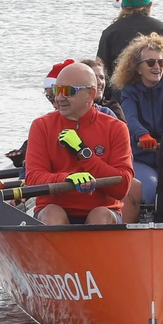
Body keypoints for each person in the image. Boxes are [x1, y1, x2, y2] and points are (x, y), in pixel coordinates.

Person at [23, 61, 137, 225]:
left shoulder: (116, 128)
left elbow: (122, 187)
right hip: (54, 209)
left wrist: (85, 155)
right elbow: (33, 178)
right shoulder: (41, 126)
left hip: (103, 210)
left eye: (68, 91)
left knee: (100, 216)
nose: (59, 98)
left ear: (90, 94)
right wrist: (69, 178)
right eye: (57, 90)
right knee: (53, 214)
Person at [112, 33, 163, 210]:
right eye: (151, 63)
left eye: (162, 62)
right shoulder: (130, 90)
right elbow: (130, 118)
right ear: (138, 68)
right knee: (150, 188)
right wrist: (142, 135)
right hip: (142, 157)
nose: (157, 67)